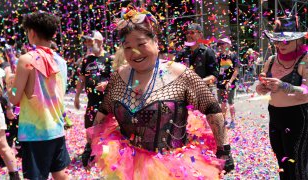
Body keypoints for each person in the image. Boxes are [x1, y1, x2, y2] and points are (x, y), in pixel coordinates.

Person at [86, 5, 234, 179]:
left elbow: (212, 108)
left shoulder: (180, 73)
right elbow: (104, 110)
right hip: (127, 168)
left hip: (174, 168)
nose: (135, 52)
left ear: (156, 43)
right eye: (127, 47)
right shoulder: (118, 76)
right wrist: (90, 146)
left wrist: (224, 149)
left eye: (141, 44)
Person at [6, 12, 70, 179]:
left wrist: (9, 84)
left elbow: (14, 97)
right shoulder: (61, 61)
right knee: (59, 173)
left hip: (35, 134)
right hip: (57, 129)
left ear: (32, 33)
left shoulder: (26, 60)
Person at [257, 16, 308, 179]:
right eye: (277, 41)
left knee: (297, 164)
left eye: (285, 41)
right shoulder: (271, 60)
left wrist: (283, 86)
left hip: (298, 117)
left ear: (298, 40)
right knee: (282, 163)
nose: (279, 45)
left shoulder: (305, 60)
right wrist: (262, 87)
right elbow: (261, 90)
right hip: (275, 116)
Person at [74, 30, 113, 167]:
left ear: (100, 41)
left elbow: (118, 79)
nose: (88, 44)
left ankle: (107, 154)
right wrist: (77, 96)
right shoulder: (86, 60)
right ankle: (90, 149)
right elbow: (81, 79)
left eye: (91, 40)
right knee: (89, 126)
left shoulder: (110, 59)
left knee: (107, 128)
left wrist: (107, 84)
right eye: (87, 41)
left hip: (107, 102)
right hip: (92, 102)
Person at [0, 45, 20, 179]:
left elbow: (8, 86)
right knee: (4, 146)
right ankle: (15, 176)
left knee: (4, 146)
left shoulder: (1, 66)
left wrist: (9, 106)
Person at [216, 38, 239, 129]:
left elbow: (236, 70)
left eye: (224, 44)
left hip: (230, 83)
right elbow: (217, 70)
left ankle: (233, 121)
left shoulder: (233, 56)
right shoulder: (218, 57)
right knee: (222, 103)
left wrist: (230, 82)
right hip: (221, 83)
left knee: (231, 102)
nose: (221, 46)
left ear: (229, 45)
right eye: (220, 44)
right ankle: (224, 120)